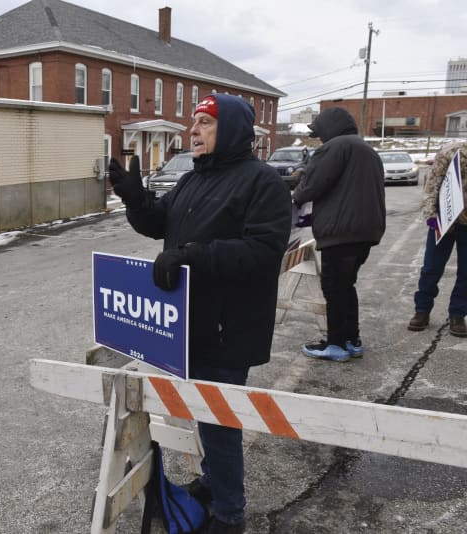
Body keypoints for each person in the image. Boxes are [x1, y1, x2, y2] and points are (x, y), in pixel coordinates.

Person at [108, 94, 291, 534]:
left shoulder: (262, 182)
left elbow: (264, 251)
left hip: (228, 324)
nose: (193, 130)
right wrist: (136, 200)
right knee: (204, 414)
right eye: (194, 122)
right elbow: (161, 223)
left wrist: (192, 256)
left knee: (220, 421)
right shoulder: (193, 180)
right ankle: (212, 484)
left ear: (229, 131)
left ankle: (230, 515)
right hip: (186, 322)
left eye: (206, 123)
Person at [292, 107, 386, 362]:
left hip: (341, 231)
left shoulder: (334, 148)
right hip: (367, 231)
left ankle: (335, 345)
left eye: (320, 132)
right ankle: (351, 340)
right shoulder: (366, 150)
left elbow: (312, 185)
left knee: (333, 287)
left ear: (329, 128)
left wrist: (295, 195)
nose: (319, 139)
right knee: (346, 286)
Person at [408, 141, 467, 336]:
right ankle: (422, 311)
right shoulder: (452, 152)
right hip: (445, 220)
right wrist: (431, 215)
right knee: (431, 268)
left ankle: (457, 315)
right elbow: (433, 182)